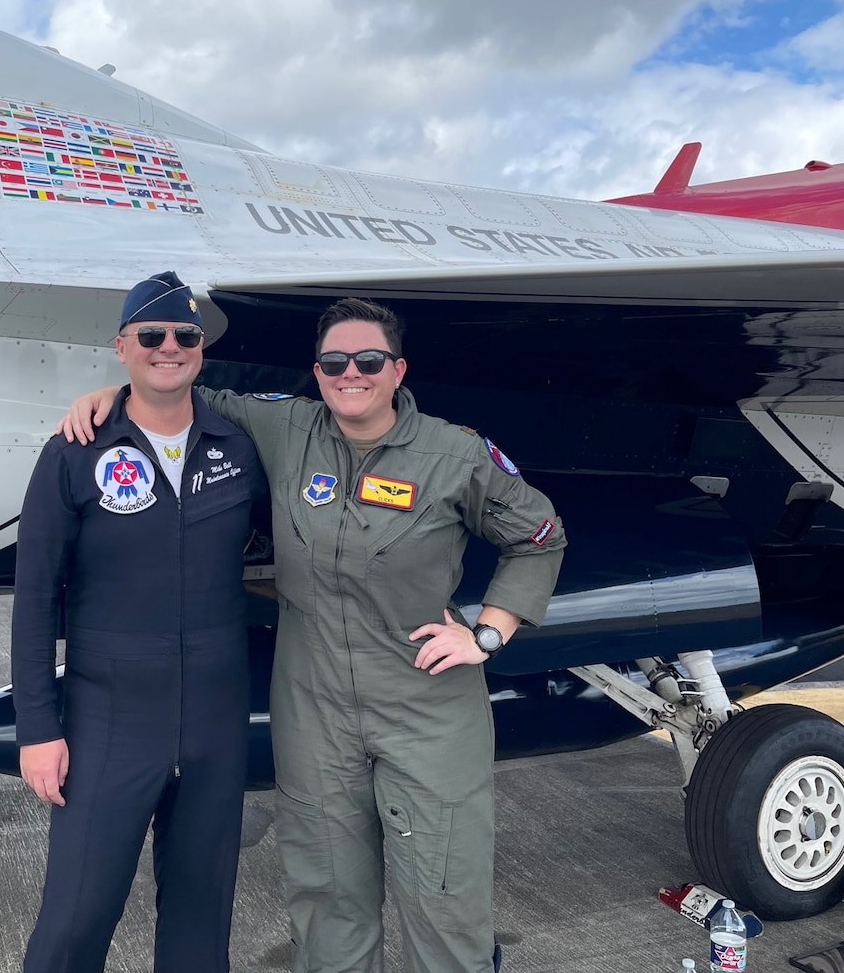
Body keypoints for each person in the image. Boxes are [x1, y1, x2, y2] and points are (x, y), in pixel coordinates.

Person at [61, 296, 566, 973]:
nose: (349, 373)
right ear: (318, 369)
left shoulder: (455, 454)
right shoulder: (287, 426)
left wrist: (488, 633)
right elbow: (187, 392)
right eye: (334, 361)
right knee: (327, 897)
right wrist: (115, 394)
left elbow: (538, 536)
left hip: (427, 712)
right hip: (315, 710)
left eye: (368, 360)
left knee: (443, 899)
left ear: (398, 369)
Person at [12, 271, 267, 973]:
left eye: (185, 337)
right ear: (121, 346)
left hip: (215, 720)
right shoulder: (76, 451)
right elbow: (34, 597)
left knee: (199, 921)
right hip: (110, 718)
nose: (169, 348)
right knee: (74, 919)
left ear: (200, 352)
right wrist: (37, 729)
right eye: (150, 336)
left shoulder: (236, 449)